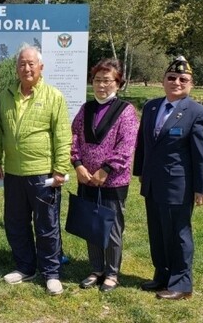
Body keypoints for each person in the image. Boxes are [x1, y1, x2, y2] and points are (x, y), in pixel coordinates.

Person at [0, 43, 71, 295]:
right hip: (13, 173)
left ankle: (51, 272)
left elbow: (62, 135)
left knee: (46, 225)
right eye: (22, 64)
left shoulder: (53, 96)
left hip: (43, 173)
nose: (26, 68)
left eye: (31, 64)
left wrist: (60, 169)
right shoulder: (5, 95)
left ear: (41, 67)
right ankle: (25, 267)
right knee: (15, 222)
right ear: (16, 68)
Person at [133, 56, 203, 300]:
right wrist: (140, 172)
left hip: (179, 185)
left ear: (191, 84)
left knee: (178, 234)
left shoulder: (197, 113)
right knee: (157, 231)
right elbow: (144, 144)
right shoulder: (151, 107)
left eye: (183, 79)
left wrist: (202, 188)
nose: (176, 82)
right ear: (163, 81)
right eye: (171, 77)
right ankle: (162, 275)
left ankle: (181, 283)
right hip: (153, 182)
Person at [70, 58, 139, 292]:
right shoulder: (85, 109)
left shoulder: (126, 111)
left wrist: (105, 170)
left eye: (107, 80)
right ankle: (96, 269)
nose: (101, 85)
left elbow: (126, 146)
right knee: (92, 224)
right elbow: (74, 139)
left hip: (112, 181)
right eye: (97, 80)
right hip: (86, 178)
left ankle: (111, 273)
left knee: (112, 226)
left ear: (118, 83)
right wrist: (78, 165)